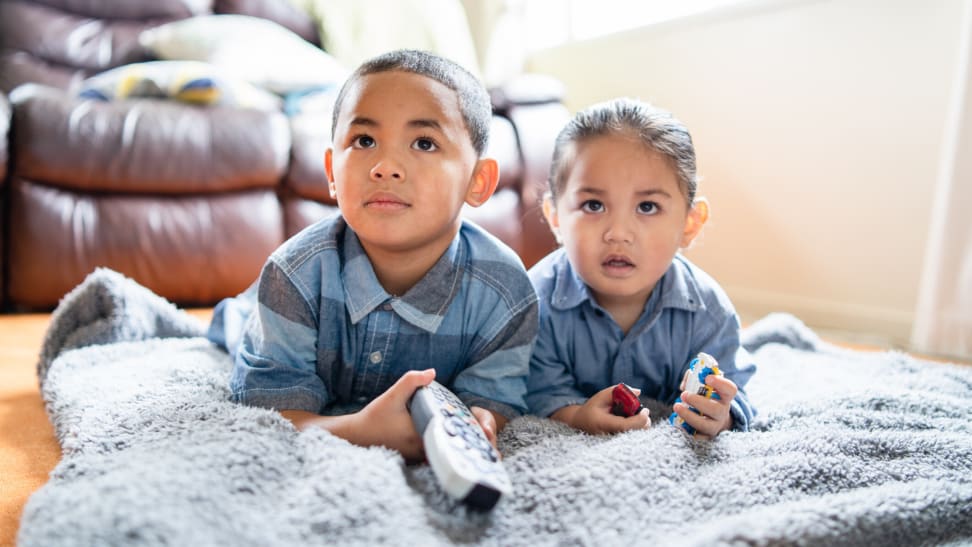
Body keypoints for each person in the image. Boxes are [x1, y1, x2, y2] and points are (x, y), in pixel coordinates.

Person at [206, 50, 538, 461]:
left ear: (478, 180)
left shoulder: (506, 293)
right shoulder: (293, 275)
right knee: (236, 325)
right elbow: (269, 416)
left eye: (424, 142)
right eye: (364, 141)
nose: (385, 166)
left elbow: (495, 399)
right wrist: (357, 430)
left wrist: (482, 421)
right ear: (331, 172)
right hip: (268, 320)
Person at [525, 98, 756, 439]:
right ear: (555, 216)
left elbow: (735, 389)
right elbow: (536, 390)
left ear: (690, 224)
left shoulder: (707, 310)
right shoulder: (534, 303)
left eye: (647, 207)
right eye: (593, 205)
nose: (618, 233)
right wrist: (575, 416)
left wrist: (721, 417)